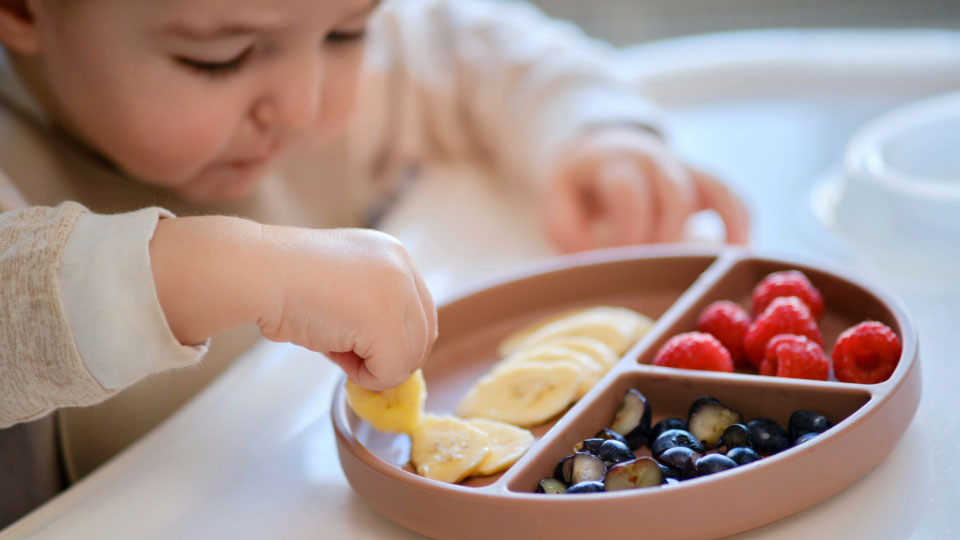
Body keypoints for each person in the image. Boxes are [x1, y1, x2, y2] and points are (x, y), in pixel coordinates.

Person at [0, 0, 748, 526]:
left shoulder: (297, 36)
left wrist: (590, 131)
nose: (302, 102)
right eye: (217, 58)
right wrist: (218, 269)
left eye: (348, 31)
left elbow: (461, 45)